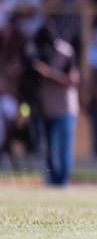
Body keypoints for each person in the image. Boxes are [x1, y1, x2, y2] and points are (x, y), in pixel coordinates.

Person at [27, 26, 80, 187]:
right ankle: (52, 181)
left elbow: (73, 80)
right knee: (50, 149)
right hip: (46, 108)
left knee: (63, 149)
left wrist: (48, 73)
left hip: (65, 108)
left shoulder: (65, 52)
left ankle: (62, 182)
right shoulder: (36, 52)